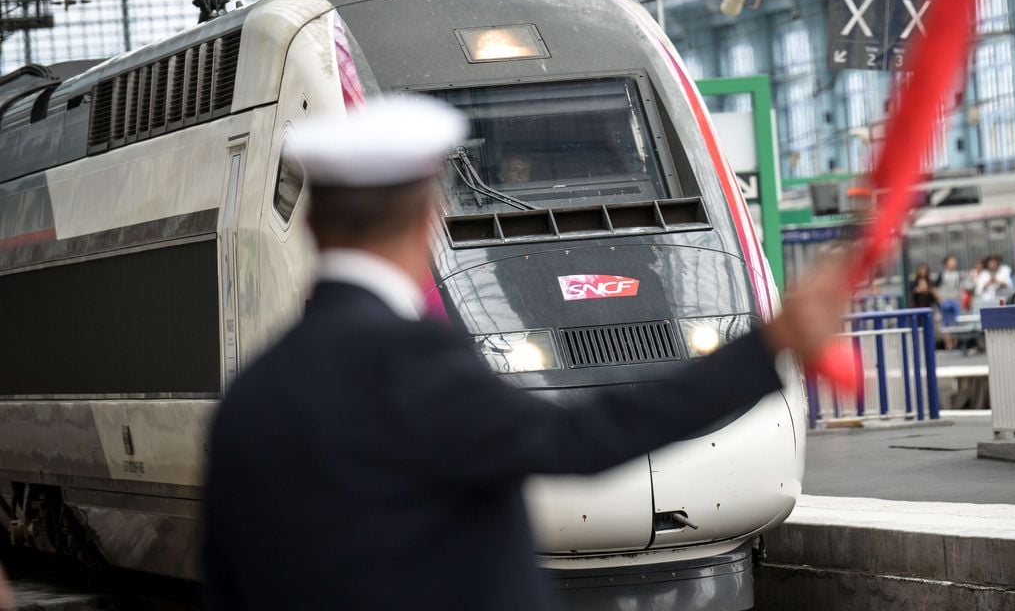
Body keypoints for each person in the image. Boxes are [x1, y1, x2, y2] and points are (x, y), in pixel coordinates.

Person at [202, 99, 848, 611]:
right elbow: (582, 440)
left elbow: (227, 579)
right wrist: (768, 345)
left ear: (311, 223)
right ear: (433, 214)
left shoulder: (253, 393)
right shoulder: (413, 363)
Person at [934, 254, 962, 325]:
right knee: (945, 321)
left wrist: (958, 296)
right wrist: (940, 299)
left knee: (956, 320)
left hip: (954, 301)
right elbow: (934, 288)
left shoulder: (957, 274)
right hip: (944, 301)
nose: (954, 263)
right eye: (952, 261)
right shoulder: (942, 274)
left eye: (954, 261)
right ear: (946, 264)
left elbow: (958, 287)